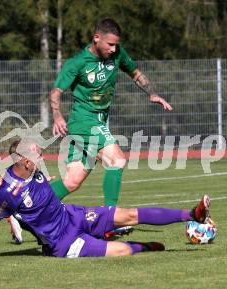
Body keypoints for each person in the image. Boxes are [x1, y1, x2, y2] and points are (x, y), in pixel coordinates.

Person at [0, 139, 211, 261]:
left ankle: (192, 214)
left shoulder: (32, 169)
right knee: (123, 252)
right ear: (25, 161)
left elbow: (38, 185)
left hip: (74, 215)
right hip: (63, 243)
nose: (42, 157)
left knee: (128, 214)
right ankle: (144, 246)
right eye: (38, 155)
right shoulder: (6, 190)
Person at [49, 18, 173, 208]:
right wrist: (57, 116)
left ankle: (24, 208)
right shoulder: (78, 63)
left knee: (72, 181)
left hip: (98, 121)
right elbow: (56, 92)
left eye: (116, 45)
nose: (114, 49)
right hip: (85, 121)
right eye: (110, 44)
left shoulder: (117, 55)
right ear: (96, 38)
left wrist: (152, 94)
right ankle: (110, 217)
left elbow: (136, 74)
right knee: (117, 160)